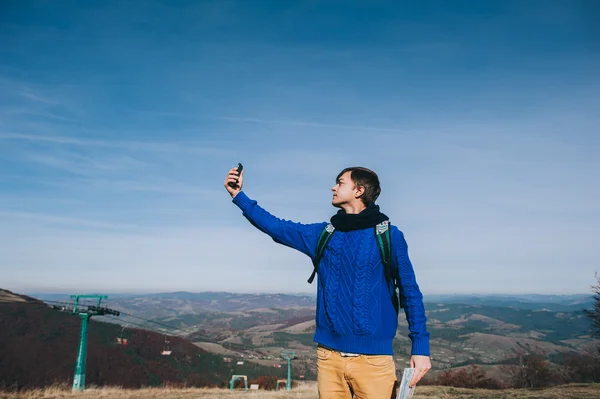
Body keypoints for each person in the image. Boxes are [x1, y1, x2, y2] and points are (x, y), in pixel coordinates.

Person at [224, 165, 431, 399]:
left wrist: (421, 347)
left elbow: (410, 293)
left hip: (374, 361)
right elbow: (277, 227)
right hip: (328, 359)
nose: (333, 187)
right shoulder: (323, 234)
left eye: (340, 182)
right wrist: (238, 196)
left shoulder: (390, 236)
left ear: (359, 190)